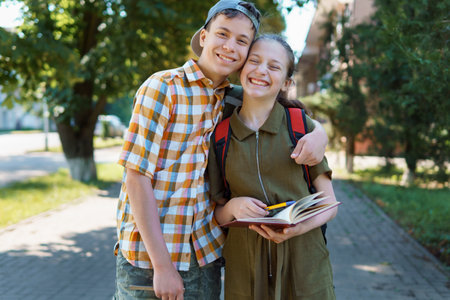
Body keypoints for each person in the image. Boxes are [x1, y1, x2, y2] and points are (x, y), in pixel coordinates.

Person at [114, 1, 328, 299]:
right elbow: (136, 178)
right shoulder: (163, 87)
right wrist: (162, 266)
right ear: (203, 37)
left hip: (205, 256)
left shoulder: (233, 98)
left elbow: (281, 104)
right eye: (222, 34)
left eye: (242, 41)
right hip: (150, 260)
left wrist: (321, 134)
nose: (230, 46)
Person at [208, 34, 339, 300]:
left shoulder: (301, 128)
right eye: (254, 61)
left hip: (304, 262)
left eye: (274, 66)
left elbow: (330, 204)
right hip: (245, 269)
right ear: (241, 67)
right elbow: (216, 213)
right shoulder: (220, 135)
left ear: (286, 82)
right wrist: (232, 208)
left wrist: (297, 230)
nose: (261, 70)